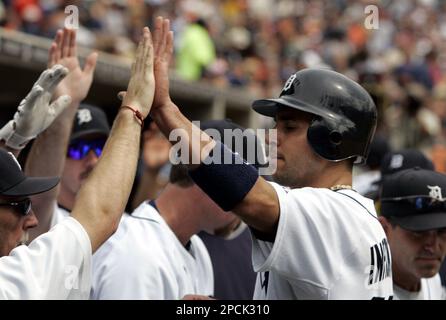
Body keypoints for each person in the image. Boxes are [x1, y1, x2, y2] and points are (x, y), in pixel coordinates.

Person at [149, 17, 393, 299]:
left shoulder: (334, 215)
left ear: (332, 140)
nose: (272, 137)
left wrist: (165, 111)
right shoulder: (347, 216)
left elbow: (247, 194)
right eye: (276, 126)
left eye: (289, 127)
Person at [0, 25, 156, 299]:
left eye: (101, 147)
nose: (32, 218)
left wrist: (12, 143)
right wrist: (134, 111)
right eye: (78, 148)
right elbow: (100, 214)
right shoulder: (15, 278)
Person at [91, 119, 262, 299]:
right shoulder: (138, 255)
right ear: (215, 182)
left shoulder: (197, 248)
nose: (247, 206)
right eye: (245, 191)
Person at [379, 168, 446, 299]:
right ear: (383, 229)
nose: (433, 247)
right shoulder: (361, 291)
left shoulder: (431, 280)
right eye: (419, 232)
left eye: (442, 231)